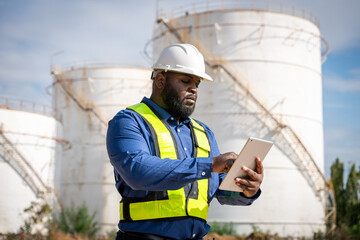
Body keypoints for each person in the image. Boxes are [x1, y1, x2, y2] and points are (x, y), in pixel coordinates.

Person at [106, 43, 264, 240]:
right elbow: (137, 172)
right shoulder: (129, 121)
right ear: (161, 81)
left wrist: (247, 190)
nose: (194, 89)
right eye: (185, 81)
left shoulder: (204, 133)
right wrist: (211, 164)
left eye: (197, 84)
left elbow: (219, 188)